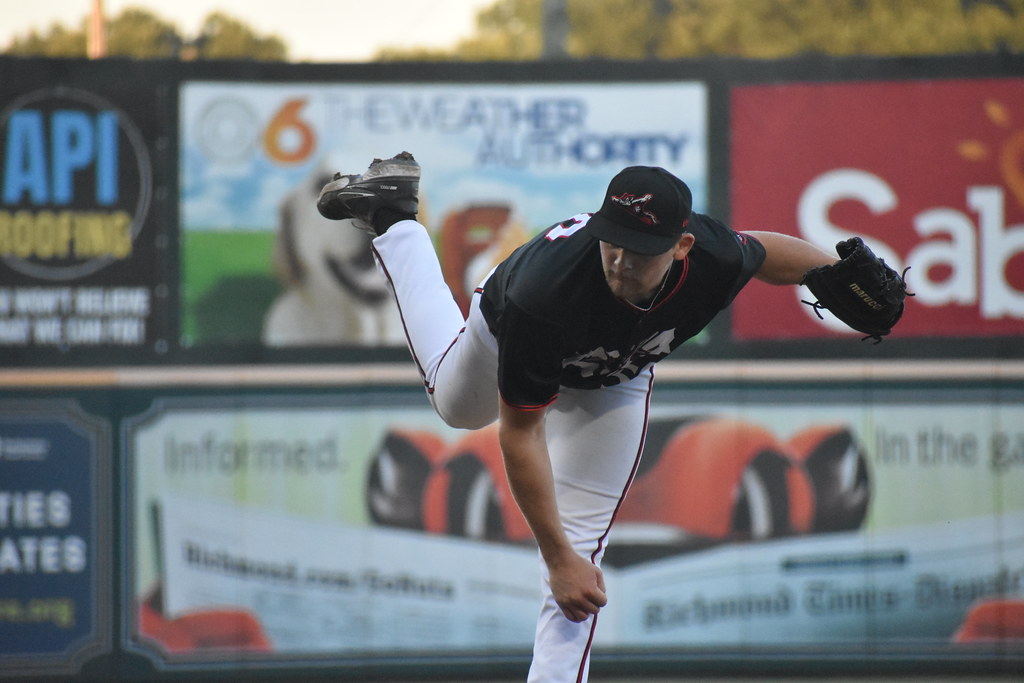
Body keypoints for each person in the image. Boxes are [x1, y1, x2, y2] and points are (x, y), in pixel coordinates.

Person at [317, 152, 839, 682]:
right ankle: (396, 219)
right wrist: (555, 557)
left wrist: (835, 272)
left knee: (581, 559)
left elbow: (763, 252)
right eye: (613, 240)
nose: (621, 260)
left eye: (639, 249)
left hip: (614, 379)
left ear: (682, 247)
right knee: (458, 408)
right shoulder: (542, 293)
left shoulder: (713, 255)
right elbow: (521, 434)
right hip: (510, 329)